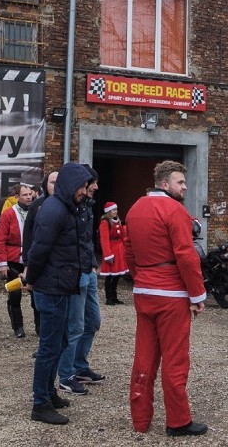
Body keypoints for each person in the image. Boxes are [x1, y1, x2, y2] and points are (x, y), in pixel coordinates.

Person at [124, 160, 208, 437]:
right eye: (180, 182)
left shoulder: (135, 209)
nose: (185, 187)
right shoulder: (175, 210)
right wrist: (197, 295)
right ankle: (178, 421)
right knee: (175, 360)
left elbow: (130, 252)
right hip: (171, 294)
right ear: (165, 184)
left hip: (144, 291)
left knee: (144, 359)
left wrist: (141, 279)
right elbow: (186, 256)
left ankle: (140, 421)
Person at [25, 162, 93, 425]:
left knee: (59, 343)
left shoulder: (66, 207)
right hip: (50, 288)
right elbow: (38, 249)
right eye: (83, 186)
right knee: (49, 348)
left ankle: (49, 392)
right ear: (71, 185)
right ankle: (40, 404)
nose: (85, 191)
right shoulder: (54, 210)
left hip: (61, 286)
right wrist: (30, 279)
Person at [56, 165, 105, 396]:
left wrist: (93, 264)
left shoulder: (87, 206)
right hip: (76, 273)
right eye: (91, 183)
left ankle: (80, 366)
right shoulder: (68, 208)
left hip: (89, 270)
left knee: (93, 322)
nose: (95, 187)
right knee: (74, 326)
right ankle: (66, 376)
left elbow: (86, 239)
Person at [23, 171, 61, 337]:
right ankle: (41, 331)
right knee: (37, 300)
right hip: (39, 261)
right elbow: (28, 236)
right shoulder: (37, 205)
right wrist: (26, 264)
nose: (55, 185)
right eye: (52, 182)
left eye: (58, 182)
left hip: (59, 265)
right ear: (46, 184)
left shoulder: (70, 205)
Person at [0, 183, 35, 338]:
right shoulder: (8, 214)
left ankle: (39, 326)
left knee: (36, 294)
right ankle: (18, 327)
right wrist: (2, 263)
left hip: (32, 260)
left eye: (30, 194)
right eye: (25, 195)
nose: (29, 197)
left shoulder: (37, 211)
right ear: (17, 197)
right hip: (13, 259)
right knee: (15, 295)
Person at [100, 202, 129, 305]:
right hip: (111, 251)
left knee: (117, 275)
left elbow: (122, 236)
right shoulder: (105, 223)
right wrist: (108, 255)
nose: (115, 211)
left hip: (119, 251)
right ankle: (109, 297)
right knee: (109, 276)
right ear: (108, 212)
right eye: (113, 210)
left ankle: (114, 296)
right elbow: (104, 240)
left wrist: (126, 249)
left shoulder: (117, 222)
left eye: (116, 209)